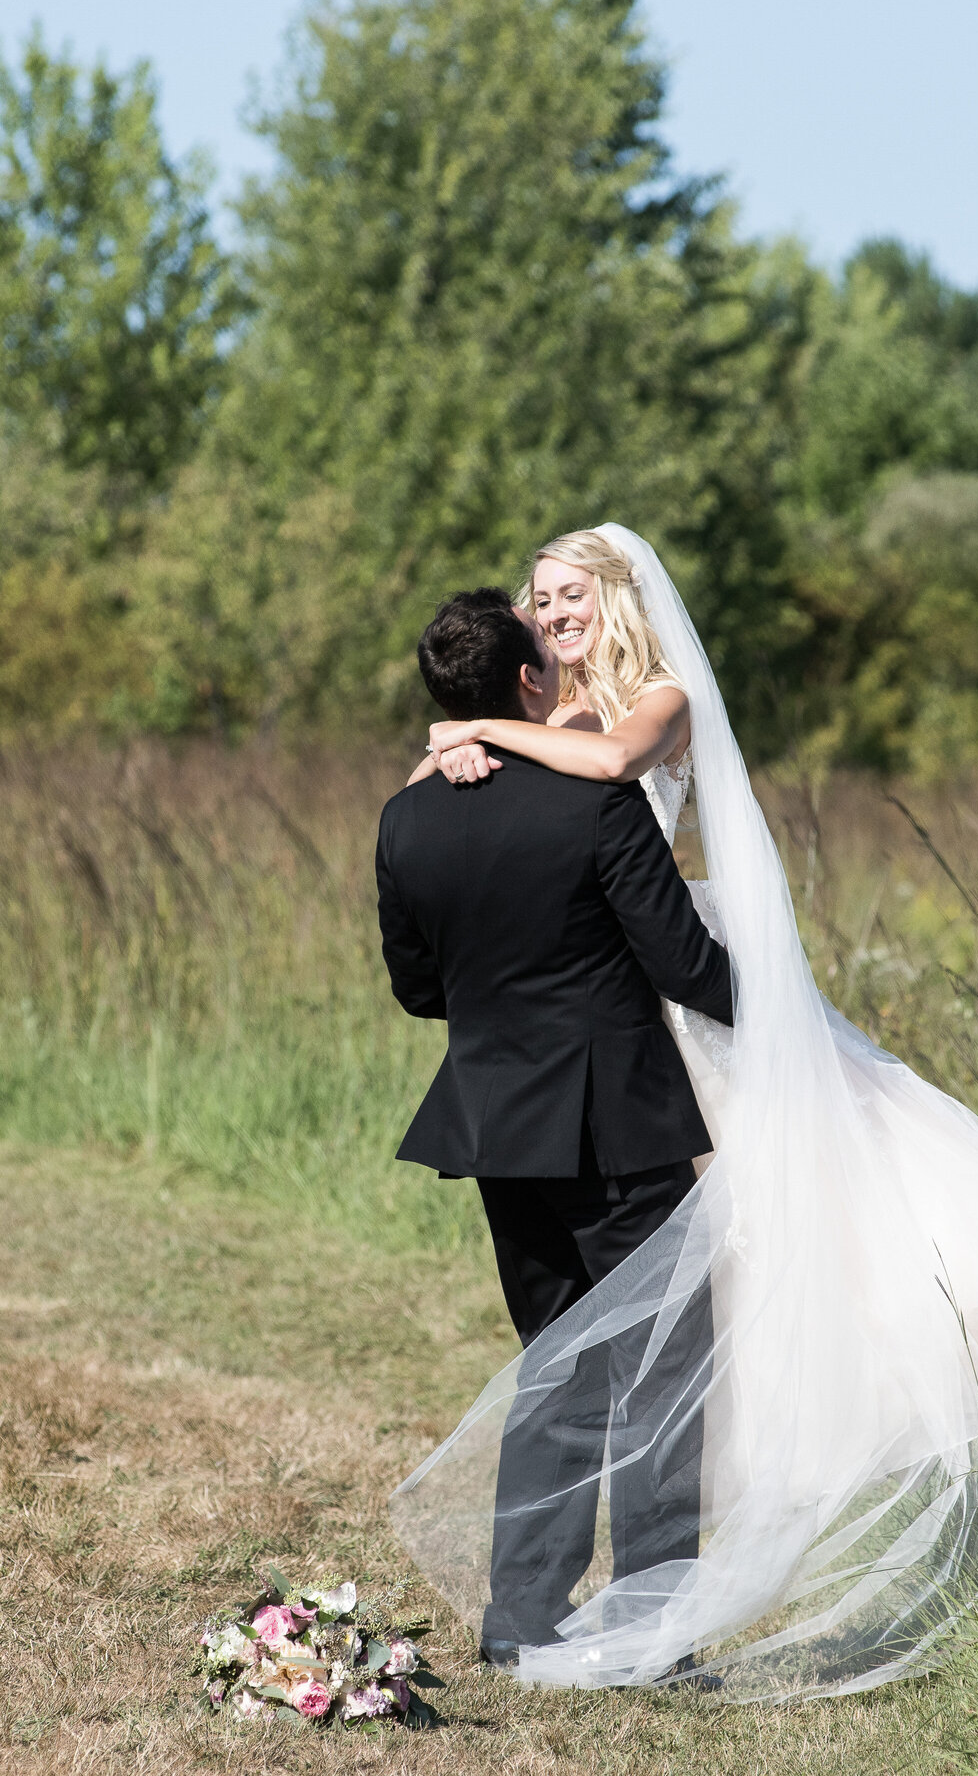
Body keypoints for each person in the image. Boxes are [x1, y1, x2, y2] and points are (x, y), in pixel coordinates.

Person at [391, 526, 978, 1702]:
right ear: (525, 647)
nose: (553, 610)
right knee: (633, 1352)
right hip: (624, 1039)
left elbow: (613, 768)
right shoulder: (526, 744)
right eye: (539, 599)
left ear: (616, 598)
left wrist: (471, 735)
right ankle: (631, 1612)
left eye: (571, 593)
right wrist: (472, 752)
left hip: (661, 1024)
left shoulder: (646, 708)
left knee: (848, 1255)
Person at [374, 586, 732, 1666]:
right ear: (531, 684)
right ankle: (655, 1625)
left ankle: (520, 1618)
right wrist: (784, 1011)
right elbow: (683, 962)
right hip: (616, 1122)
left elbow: (417, 987)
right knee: (666, 1365)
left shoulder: (408, 814)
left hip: (494, 1123)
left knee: (558, 1362)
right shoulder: (596, 805)